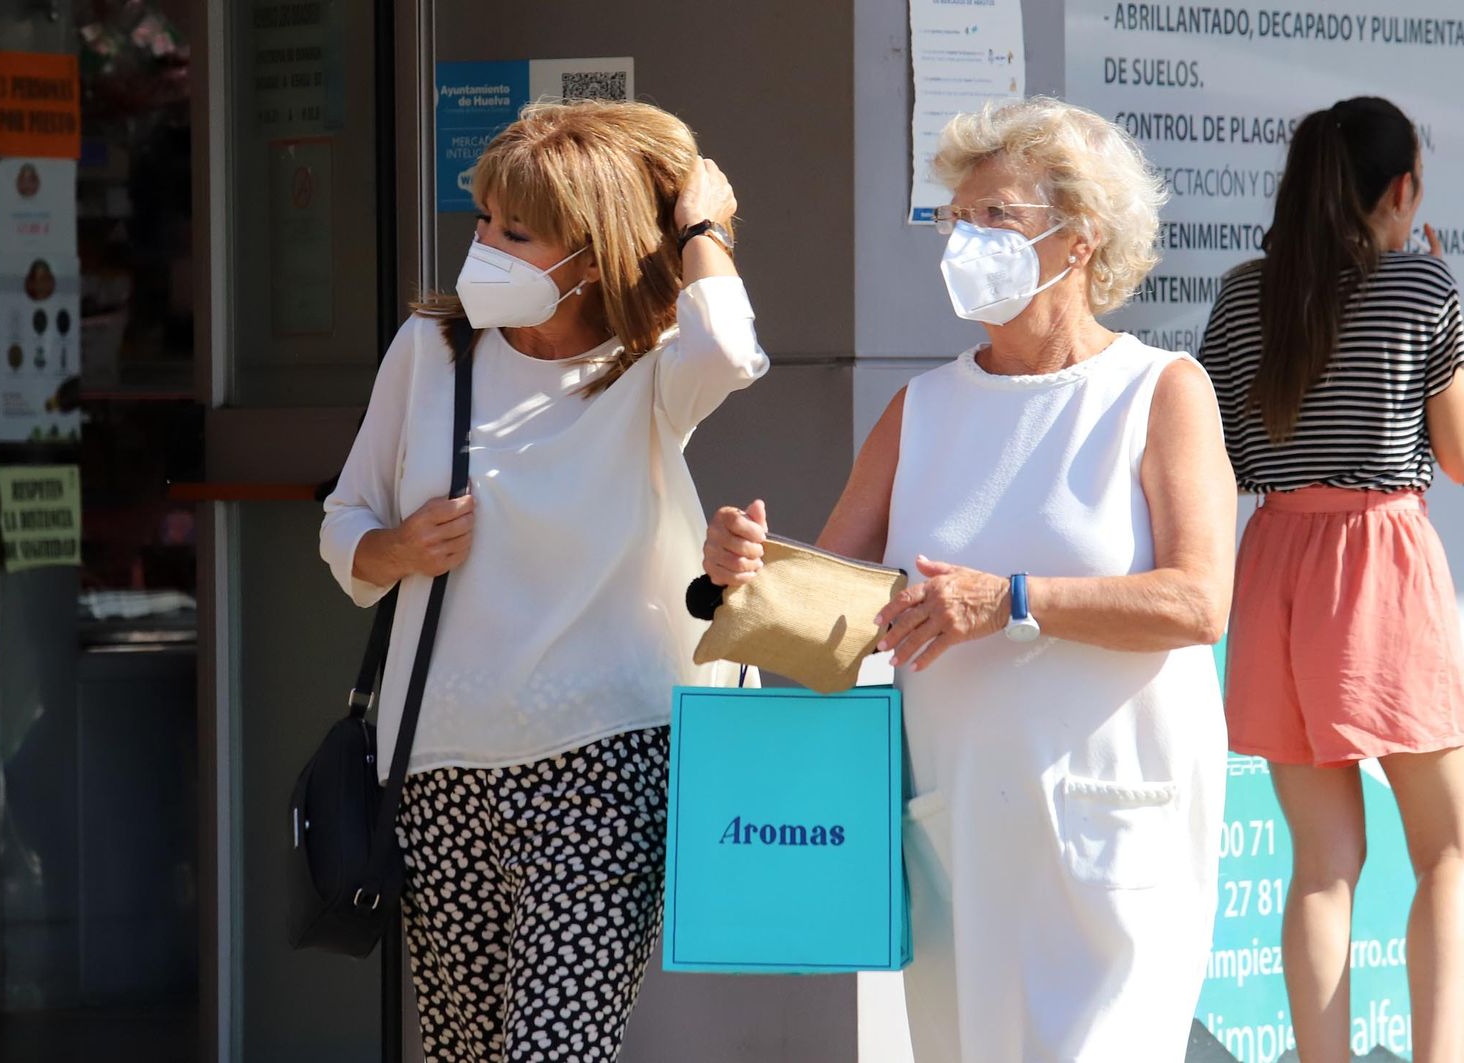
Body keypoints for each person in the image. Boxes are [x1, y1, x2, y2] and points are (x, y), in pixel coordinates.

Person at [703, 97, 1235, 1061]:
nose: (966, 238)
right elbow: (829, 620)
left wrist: (1014, 601)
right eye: (958, 216)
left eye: (996, 215)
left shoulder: (1159, 390)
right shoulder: (921, 408)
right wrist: (740, 575)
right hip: (959, 841)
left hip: (1119, 833)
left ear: (1080, 238)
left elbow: (1199, 603)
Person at [320, 99, 765, 1062]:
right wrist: (403, 548)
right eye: (483, 220)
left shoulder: (652, 370)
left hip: (604, 765)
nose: (482, 246)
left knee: (553, 1051)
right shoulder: (430, 353)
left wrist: (702, 226)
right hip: (438, 770)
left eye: (515, 232)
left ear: (591, 258)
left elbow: (730, 351)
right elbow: (343, 527)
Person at [1198, 95, 1464, 1062]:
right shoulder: (1421, 285)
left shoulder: (1243, 295)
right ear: (1402, 191)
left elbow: (1221, 460)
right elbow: (1461, 455)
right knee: (1449, 849)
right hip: (1379, 563)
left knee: (1321, 863)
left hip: (1276, 566)